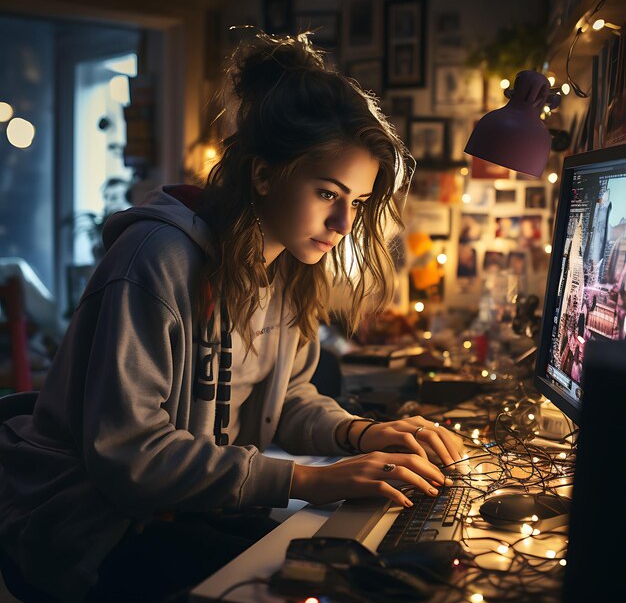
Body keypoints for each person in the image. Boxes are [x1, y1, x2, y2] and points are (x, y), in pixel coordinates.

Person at [0, 31, 463, 603]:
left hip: (186, 508)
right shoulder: (155, 259)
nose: (344, 223)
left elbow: (285, 399)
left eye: (358, 203)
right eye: (328, 193)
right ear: (264, 174)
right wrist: (311, 480)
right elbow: (130, 454)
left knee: (354, 572)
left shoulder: (290, 266)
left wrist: (359, 432)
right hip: (91, 525)